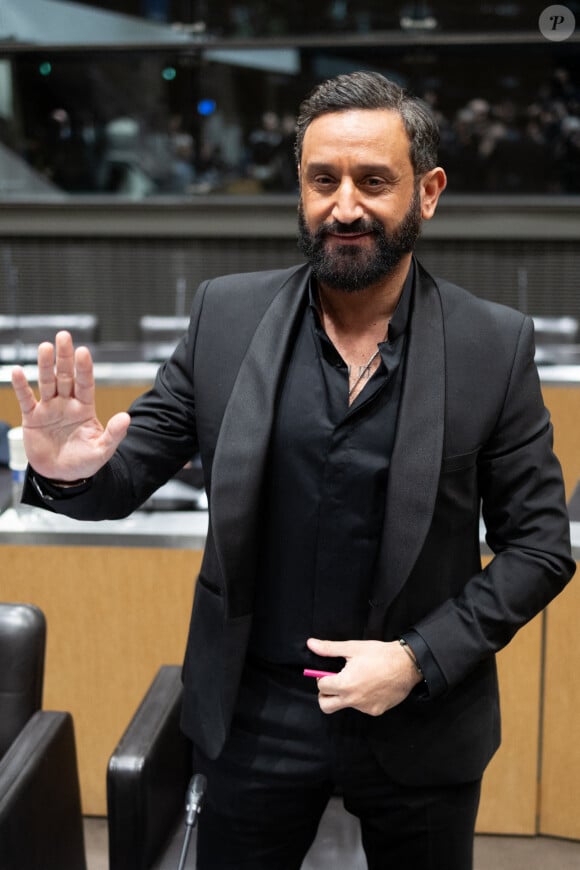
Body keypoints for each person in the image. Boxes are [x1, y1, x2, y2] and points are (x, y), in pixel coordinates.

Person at [11, 71, 575, 870]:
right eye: (323, 181)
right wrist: (68, 473)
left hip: (420, 716)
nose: (345, 207)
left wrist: (417, 657)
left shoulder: (493, 345)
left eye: (373, 181)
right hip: (254, 712)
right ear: (301, 190)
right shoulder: (225, 317)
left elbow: (540, 549)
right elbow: (125, 473)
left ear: (429, 192)